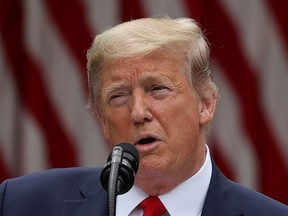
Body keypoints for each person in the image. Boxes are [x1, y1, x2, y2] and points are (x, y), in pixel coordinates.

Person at [0, 17, 287, 216]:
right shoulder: (21, 203)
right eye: (119, 96)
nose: (138, 113)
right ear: (102, 120)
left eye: (158, 89)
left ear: (206, 104)